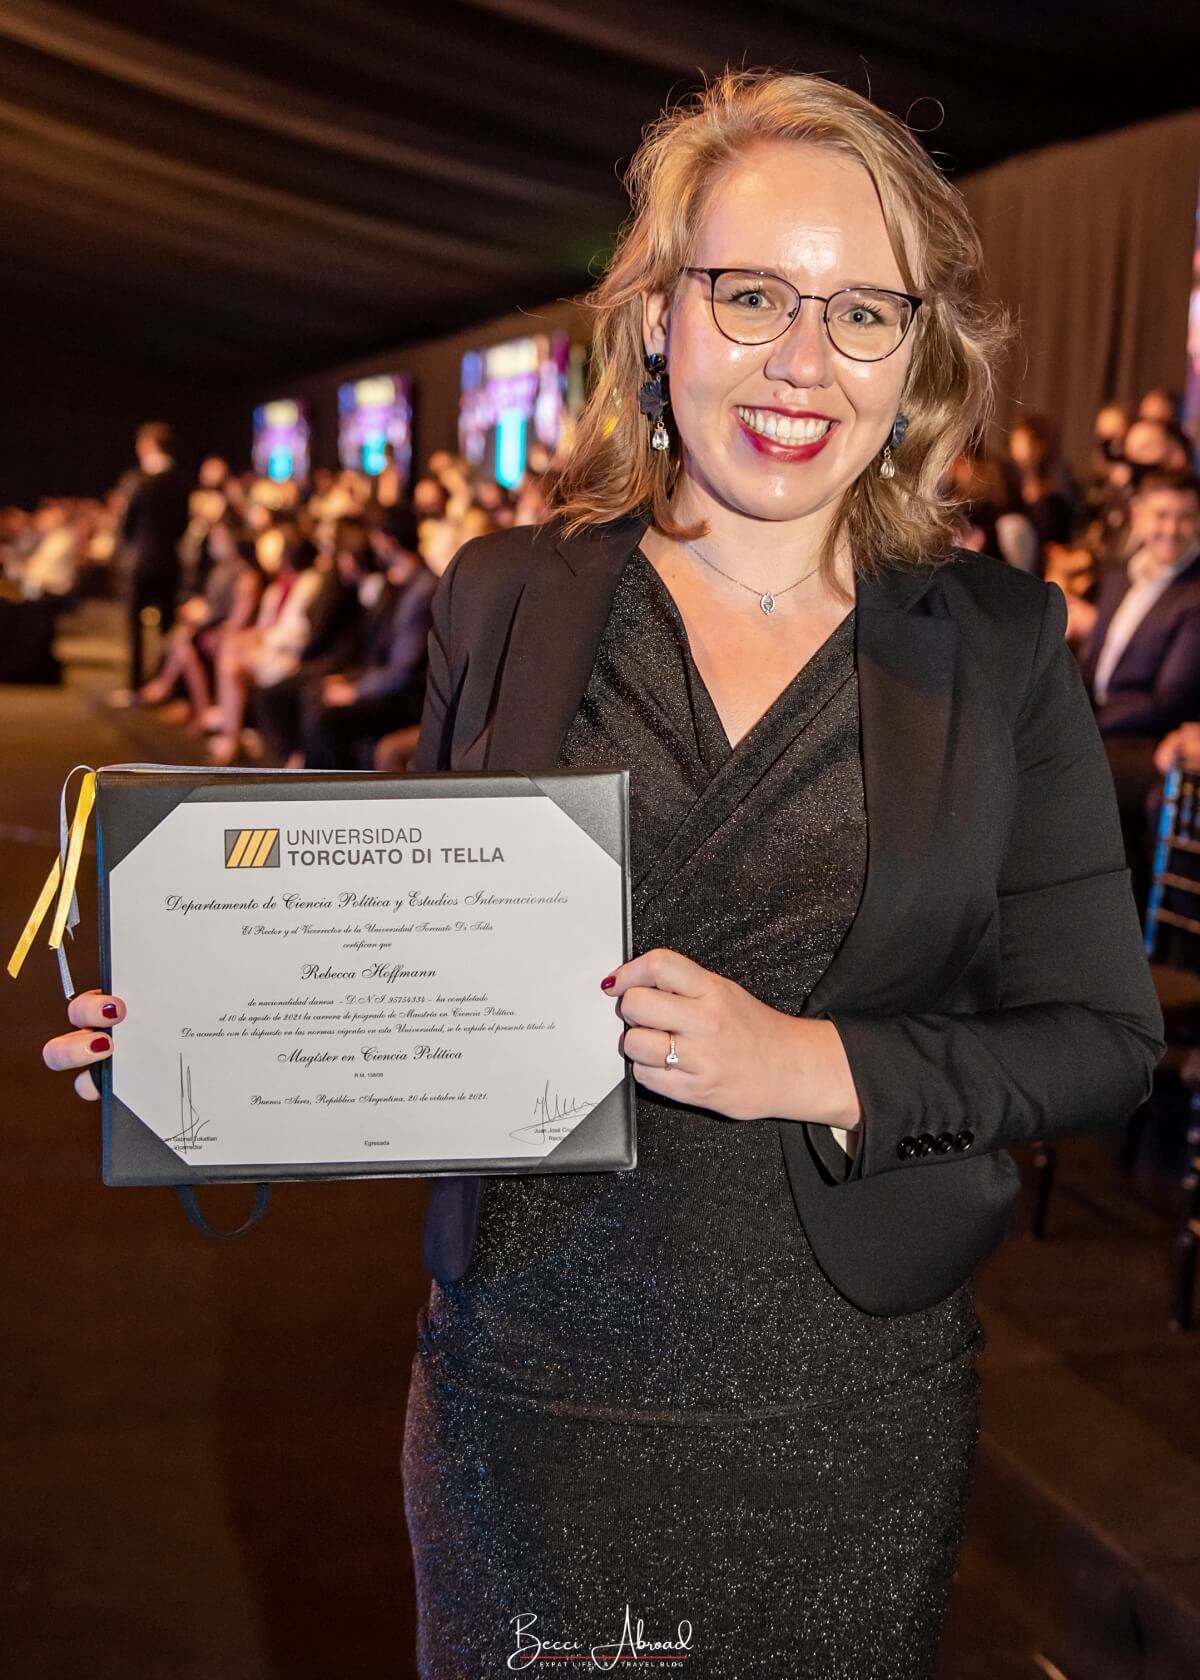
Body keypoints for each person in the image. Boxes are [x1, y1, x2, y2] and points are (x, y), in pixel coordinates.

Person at [40, 69, 1165, 1680]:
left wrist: (814, 1064)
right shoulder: (506, 597)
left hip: (840, 1410)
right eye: (754, 293)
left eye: (863, 312)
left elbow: (1102, 1039)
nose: (802, 361)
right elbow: (412, 956)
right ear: (657, 316)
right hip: (531, 1390)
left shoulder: (997, 645)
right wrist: (209, 1043)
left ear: (919, 353)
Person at [113, 421, 191, 698]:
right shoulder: (182, 482)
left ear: (146, 446)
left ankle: (135, 687)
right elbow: (183, 524)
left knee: (135, 628)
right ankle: (164, 684)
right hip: (170, 560)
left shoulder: (137, 482)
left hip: (139, 562)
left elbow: (126, 525)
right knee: (167, 626)